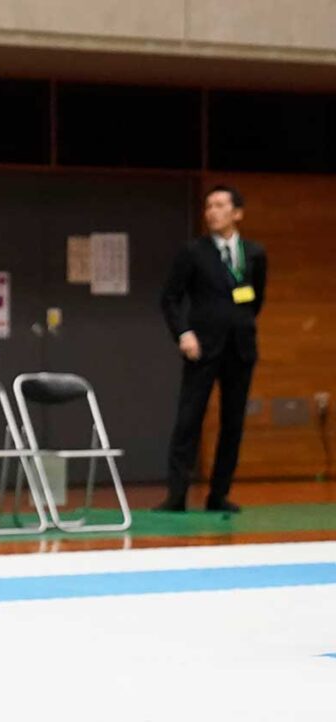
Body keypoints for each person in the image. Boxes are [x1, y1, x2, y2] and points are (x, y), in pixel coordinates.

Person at [159, 185, 268, 513]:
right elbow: (170, 298)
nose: (211, 211)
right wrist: (184, 333)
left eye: (219, 205)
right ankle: (177, 495)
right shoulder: (193, 252)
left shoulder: (255, 253)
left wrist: (239, 323)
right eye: (208, 206)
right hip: (202, 348)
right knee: (189, 419)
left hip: (240, 348)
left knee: (233, 422)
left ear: (237, 213)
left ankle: (219, 494)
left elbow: (255, 298)